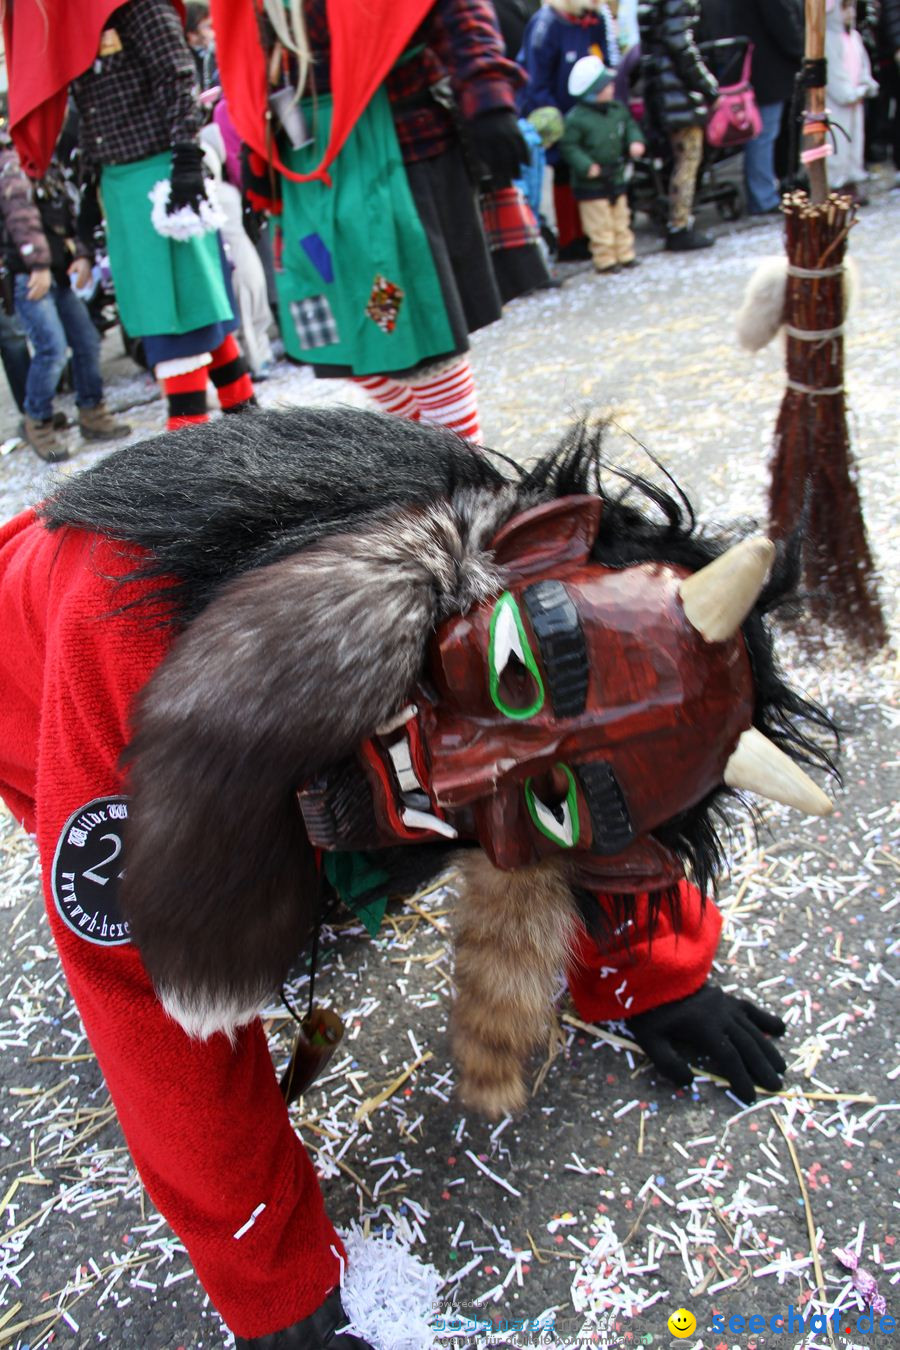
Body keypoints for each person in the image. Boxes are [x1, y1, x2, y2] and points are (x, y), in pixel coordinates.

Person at [0, 405, 836, 1346]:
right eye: (512, 672)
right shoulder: (128, 628)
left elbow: (611, 763)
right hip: (45, 698)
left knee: (500, 785)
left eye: (547, 795)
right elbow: (140, 984)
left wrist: (652, 970)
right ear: (522, 547)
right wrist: (275, 1285)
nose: (470, 769)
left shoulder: (509, 590)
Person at [216, 0, 527, 444]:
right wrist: (255, 157)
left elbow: (460, 11)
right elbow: (255, 63)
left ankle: (467, 478)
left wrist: (488, 95)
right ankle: (439, 460)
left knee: (411, 333)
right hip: (308, 163)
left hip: (393, 150)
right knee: (345, 339)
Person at [5, 0, 257, 433]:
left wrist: (184, 161)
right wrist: (87, 212)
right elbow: (89, 119)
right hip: (120, 185)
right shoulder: (71, 25)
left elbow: (178, 75)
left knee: (177, 317)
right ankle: (249, 422)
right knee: (194, 313)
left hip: (160, 176)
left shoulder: (140, 6)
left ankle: (192, 451)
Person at [0, 140, 130, 462]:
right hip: (29, 273)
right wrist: (37, 264)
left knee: (86, 340)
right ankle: (38, 421)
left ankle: (91, 410)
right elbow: (21, 217)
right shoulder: (10, 163)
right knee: (52, 349)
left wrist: (79, 251)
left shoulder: (39, 157)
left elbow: (63, 208)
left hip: (56, 270)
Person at [518, 0, 620, 259]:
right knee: (564, 170)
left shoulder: (593, 19)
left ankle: (594, 233)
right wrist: (560, 121)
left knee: (588, 169)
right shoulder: (547, 24)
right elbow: (535, 81)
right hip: (558, 112)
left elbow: (606, 61)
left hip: (589, 111)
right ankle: (569, 237)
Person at [698, 0, 803, 216]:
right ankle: (763, 196)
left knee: (764, 133)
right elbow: (781, 23)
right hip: (766, 67)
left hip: (749, 64)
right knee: (764, 134)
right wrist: (802, 50)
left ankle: (765, 191)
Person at [638, 0, 719, 249]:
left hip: (659, 86)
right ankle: (680, 225)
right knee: (688, 158)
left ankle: (674, 219)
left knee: (676, 158)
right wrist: (708, 87)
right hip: (676, 90)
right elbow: (681, 46)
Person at [559, 54, 645, 272]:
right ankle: (605, 259)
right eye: (606, 86)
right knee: (599, 223)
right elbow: (570, 147)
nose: (611, 88)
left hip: (615, 174)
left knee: (621, 218)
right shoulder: (576, 119)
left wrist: (635, 141)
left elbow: (629, 127)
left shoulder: (617, 110)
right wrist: (585, 165)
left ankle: (625, 253)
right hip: (592, 182)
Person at [826, 0, 880, 199]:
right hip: (838, 104)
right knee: (837, 142)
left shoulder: (854, 37)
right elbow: (834, 75)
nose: (850, 14)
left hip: (856, 98)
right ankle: (836, 182)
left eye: (852, 9)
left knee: (856, 140)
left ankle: (852, 177)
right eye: (845, 9)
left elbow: (863, 64)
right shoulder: (828, 40)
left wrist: (866, 84)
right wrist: (850, 93)